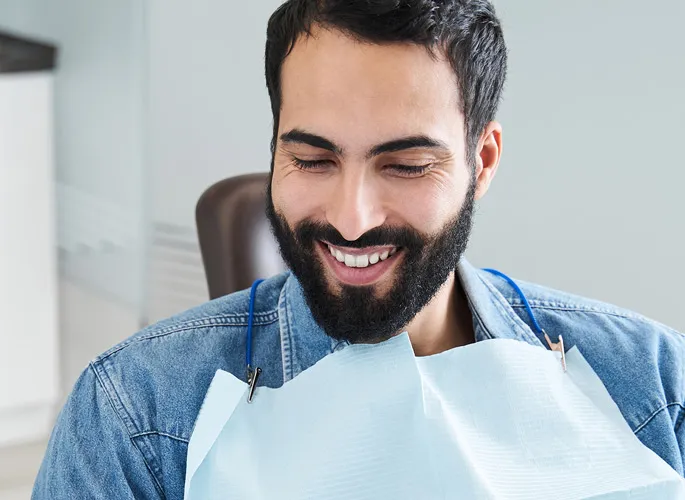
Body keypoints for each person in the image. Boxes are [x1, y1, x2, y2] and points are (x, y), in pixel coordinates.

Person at [33, 0, 684, 498]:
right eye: (312, 159)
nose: (351, 219)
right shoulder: (134, 410)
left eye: (404, 165)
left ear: (480, 162)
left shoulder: (656, 384)